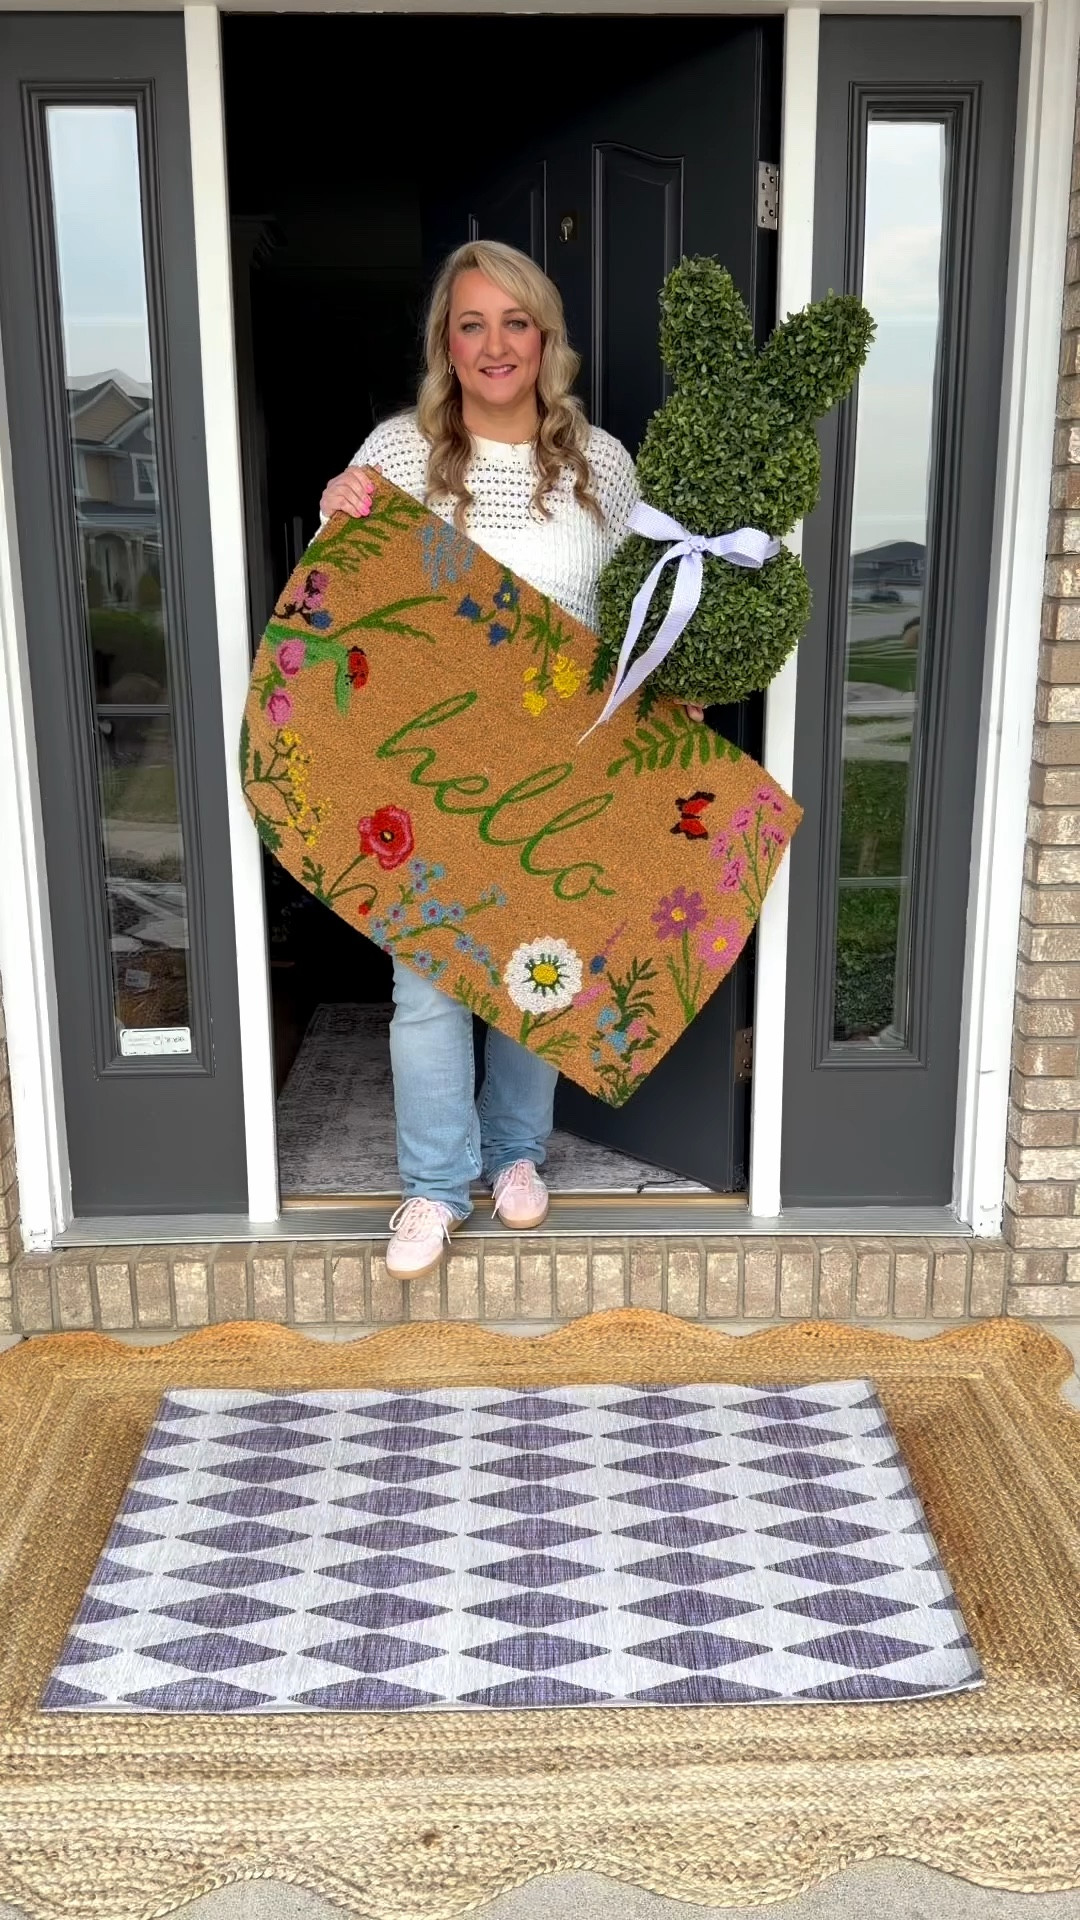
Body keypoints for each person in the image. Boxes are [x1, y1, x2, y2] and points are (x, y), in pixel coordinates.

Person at [319, 240, 695, 1282]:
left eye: (515, 322)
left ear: (545, 339)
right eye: (472, 323)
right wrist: (333, 515)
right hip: (422, 762)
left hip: (556, 763)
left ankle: (516, 1155)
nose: (495, 345)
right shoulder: (397, 455)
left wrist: (674, 696)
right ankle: (435, 1186)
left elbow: (646, 604)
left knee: (536, 970)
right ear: (447, 340)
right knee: (431, 988)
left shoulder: (600, 465)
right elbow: (342, 593)